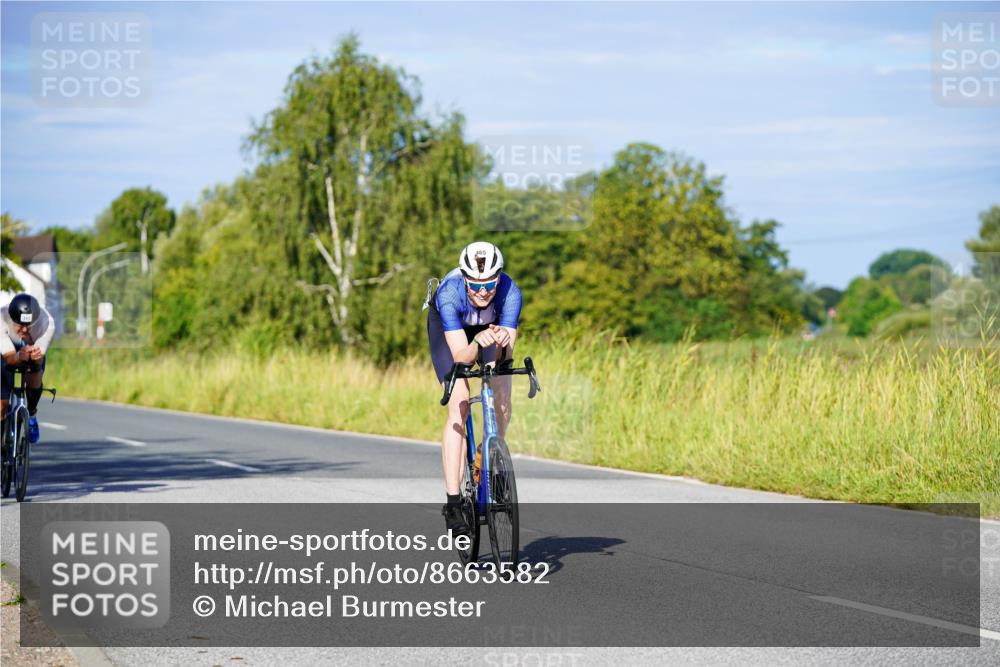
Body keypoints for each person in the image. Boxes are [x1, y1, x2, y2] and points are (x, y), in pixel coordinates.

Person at [427, 242, 522, 536]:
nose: (483, 291)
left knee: (501, 397)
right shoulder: (449, 294)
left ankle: (489, 456)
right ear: (465, 279)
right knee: (461, 402)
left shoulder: (511, 293)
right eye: (476, 285)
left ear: (499, 278)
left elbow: (505, 358)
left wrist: (503, 342)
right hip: (453, 339)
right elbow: (460, 357)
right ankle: (454, 502)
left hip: (489, 334)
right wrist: (476, 342)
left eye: (490, 284)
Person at [1, 294, 55, 443]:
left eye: (29, 325)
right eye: (19, 325)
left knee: (35, 372)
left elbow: (37, 360)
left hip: (32, 348)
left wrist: (32, 356)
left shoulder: (47, 323)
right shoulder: (1, 318)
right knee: (1, 405)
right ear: (11, 318)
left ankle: (31, 414)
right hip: (7, 349)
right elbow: (9, 359)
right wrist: (18, 356)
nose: (24, 330)